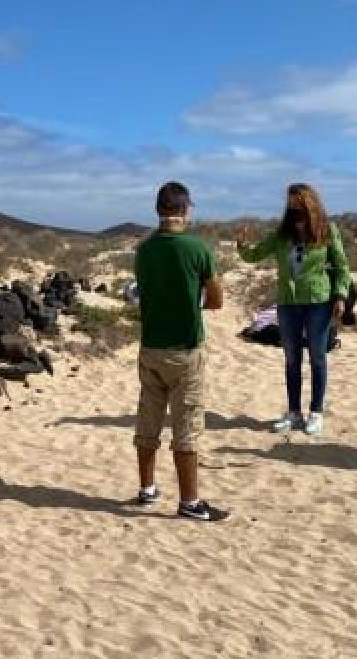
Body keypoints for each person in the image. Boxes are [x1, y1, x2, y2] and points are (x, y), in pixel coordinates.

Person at [132, 182, 228, 521]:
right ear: (185, 209)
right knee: (186, 425)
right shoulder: (198, 249)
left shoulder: (143, 250)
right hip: (185, 348)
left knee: (148, 420)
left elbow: (141, 293)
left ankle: (146, 488)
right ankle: (190, 501)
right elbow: (216, 301)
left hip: (151, 345)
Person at [236, 183, 350, 435]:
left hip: (318, 302)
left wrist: (340, 296)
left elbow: (342, 267)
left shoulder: (327, 231)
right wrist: (242, 244)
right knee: (291, 360)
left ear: (310, 203)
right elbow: (254, 255)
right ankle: (294, 412)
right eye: (290, 203)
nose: (292, 207)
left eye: (297, 202)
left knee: (318, 358)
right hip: (288, 303)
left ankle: (316, 413)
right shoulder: (281, 235)